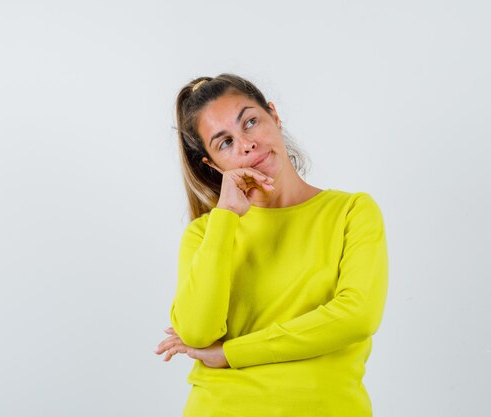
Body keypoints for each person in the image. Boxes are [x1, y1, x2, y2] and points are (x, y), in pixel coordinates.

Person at [154, 73, 388, 416]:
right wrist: (226, 217)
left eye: (250, 122)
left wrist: (232, 353)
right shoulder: (206, 234)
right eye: (225, 143)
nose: (246, 144)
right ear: (211, 164)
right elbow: (197, 332)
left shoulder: (351, 211)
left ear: (274, 116)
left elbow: (357, 317)